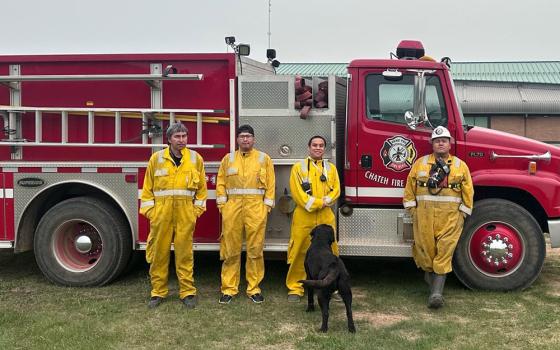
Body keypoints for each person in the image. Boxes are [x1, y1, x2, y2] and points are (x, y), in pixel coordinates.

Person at [403, 126, 474, 309]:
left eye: (444, 140)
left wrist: (464, 212)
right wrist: (412, 210)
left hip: (450, 217)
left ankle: (436, 294)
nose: (440, 143)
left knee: (444, 252)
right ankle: (433, 282)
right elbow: (410, 187)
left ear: (449, 144)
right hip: (424, 216)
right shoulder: (420, 163)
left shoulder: (460, 165)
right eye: (437, 140)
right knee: (425, 252)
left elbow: (468, 191)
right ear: (432, 144)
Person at [140, 122, 207, 309]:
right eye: (177, 136)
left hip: (186, 214)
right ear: (168, 139)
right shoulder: (156, 159)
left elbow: (202, 190)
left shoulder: (195, 159)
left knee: (185, 254)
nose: (181, 140)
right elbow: (147, 190)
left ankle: (187, 292)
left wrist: (195, 212)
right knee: (159, 254)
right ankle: (158, 292)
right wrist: (152, 213)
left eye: (184, 136)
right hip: (161, 214)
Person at [216, 125, 275, 304]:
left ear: (254, 139)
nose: (245, 139)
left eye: (248, 136)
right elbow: (220, 182)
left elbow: (271, 185)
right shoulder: (228, 159)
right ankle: (228, 289)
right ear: (237, 139)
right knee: (230, 250)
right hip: (232, 209)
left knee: (255, 250)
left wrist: (266, 207)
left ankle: (254, 288)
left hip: (256, 209)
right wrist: (222, 206)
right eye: (242, 136)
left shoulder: (264, 159)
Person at [286, 135, 340, 302]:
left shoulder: (330, 168)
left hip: (325, 216)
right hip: (304, 215)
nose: (318, 148)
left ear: (324, 148)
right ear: (309, 147)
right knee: (300, 251)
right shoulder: (298, 168)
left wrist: (326, 201)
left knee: (330, 253)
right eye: (314, 145)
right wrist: (319, 202)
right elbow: (297, 193)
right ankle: (295, 287)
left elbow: (336, 190)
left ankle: (331, 284)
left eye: (321, 145)